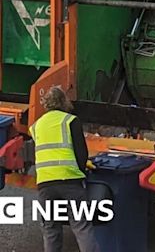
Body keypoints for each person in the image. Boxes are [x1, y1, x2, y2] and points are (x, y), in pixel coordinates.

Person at [29, 86, 99, 252]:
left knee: (51, 228)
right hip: (70, 182)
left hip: (45, 184)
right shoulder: (70, 121)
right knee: (81, 226)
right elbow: (81, 152)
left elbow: (37, 155)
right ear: (63, 101)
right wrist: (82, 170)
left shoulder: (36, 126)